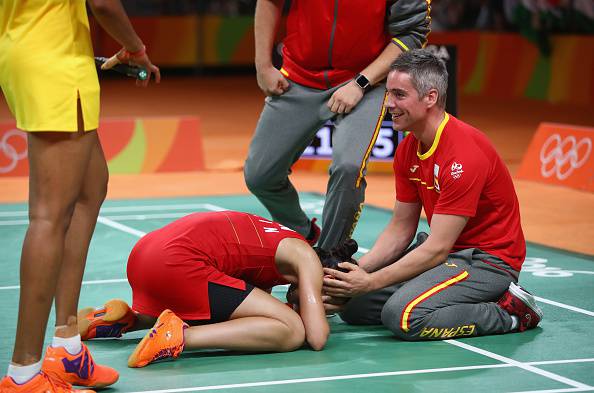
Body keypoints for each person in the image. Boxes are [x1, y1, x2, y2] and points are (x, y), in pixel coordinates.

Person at [322, 49, 543, 341]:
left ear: (430, 97)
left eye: (399, 95)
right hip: (447, 256)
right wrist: (355, 274)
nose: (389, 104)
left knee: (403, 317)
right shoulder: (408, 149)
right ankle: (445, 295)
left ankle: (511, 313)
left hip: (486, 261)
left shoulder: (463, 155)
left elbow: (438, 247)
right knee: (353, 308)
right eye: (388, 94)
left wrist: (371, 281)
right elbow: (401, 228)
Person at [0, 1, 159, 391]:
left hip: (35, 50)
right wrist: (135, 48)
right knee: (48, 215)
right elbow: (103, 3)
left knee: (91, 188)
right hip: (55, 64)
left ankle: (67, 348)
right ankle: (24, 375)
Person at [244, 0, 431, 250]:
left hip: (367, 83)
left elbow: (412, 33)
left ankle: (329, 256)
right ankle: (303, 235)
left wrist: (361, 83)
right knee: (260, 175)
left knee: (348, 168)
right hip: (298, 78)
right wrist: (263, 65)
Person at [76, 211, 329, 368]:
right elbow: (316, 338)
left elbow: (238, 310)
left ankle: (130, 320)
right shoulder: (307, 257)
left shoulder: (280, 242)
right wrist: (314, 303)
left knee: (221, 310)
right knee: (292, 330)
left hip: (145, 254)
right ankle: (178, 337)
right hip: (176, 262)